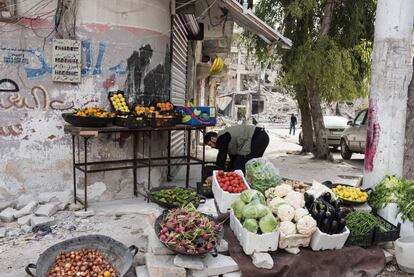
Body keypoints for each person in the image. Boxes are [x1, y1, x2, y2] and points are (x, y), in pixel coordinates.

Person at [204, 125, 269, 174]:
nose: (211, 147)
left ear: (213, 139)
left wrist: (216, 172)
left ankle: (245, 185)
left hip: (258, 137)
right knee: (240, 163)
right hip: (260, 136)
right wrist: (227, 172)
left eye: (210, 144)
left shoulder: (222, 137)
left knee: (242, 165)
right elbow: (233, 159)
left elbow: (222, 155)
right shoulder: (226, 140)